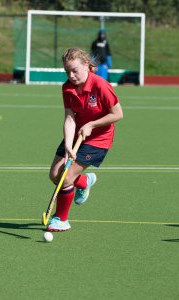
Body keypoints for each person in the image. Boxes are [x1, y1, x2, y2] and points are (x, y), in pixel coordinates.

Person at [47, 47, 123, 232]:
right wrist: (67, 145)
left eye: (74, 70)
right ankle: (84, 182)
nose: (71, 75)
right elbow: (69, 117)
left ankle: (61, 220)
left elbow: (118, 114)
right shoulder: (67, 87)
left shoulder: (100, 85)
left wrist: (91, 125)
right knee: (54, 174)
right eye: (67, 71)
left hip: (98, 139)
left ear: (87, 66)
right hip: (77, 134)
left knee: (65, 178)